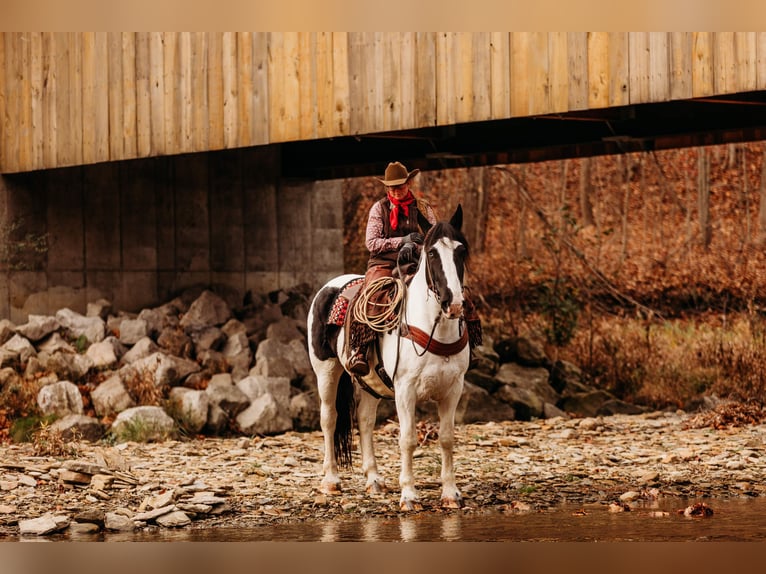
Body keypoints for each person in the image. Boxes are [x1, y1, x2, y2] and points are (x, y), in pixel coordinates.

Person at [347, 161, 483, 376]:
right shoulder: (378, 209)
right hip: (383, 263)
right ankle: (360, 351)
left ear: (408, 183)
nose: (396, 191)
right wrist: (402, 241)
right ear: (386, 188)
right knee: (371, 295)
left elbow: (436, 240)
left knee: (458, 292)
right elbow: (371, 243)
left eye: (400, 186)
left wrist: (417, 247)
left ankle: (470, 347)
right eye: (391, 187)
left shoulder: (423, 208)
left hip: (417, 262)